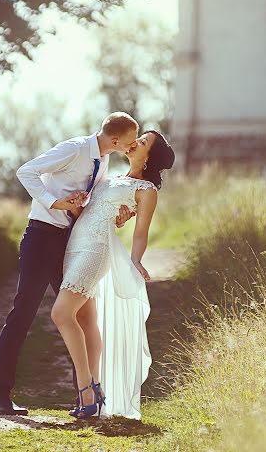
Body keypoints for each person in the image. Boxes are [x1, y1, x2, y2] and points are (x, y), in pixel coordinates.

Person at [0, 112, 139, 416]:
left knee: (81, 315)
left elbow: (92, 205)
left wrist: (115, 214)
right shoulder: (75, 149)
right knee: (23, 313)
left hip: (69, 241)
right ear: (115, 139)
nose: (133, 146)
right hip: (41, 237)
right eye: (131, 141)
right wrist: (54, 202)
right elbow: (26, 171)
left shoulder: (104, 160)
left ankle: (85, 398)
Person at [51, 130, 175, 420]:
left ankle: (87, 389)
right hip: (75, 245)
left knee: (61, 314)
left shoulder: (147, 190)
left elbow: (141, 233)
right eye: (140, 137)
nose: (136, 142)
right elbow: (92, 211)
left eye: (143, 143)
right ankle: (95, 389)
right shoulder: (109, 177)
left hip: (96, 250)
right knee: (85, 319)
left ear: (149, 158)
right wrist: (75, 204)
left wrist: (136, 260)